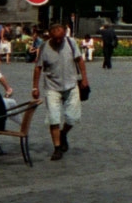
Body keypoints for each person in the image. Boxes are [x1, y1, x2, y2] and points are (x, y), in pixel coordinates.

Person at [34, 21, 90, 160]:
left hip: (71, 85)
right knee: (53, 118)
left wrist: (84, 78)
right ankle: (57, 148)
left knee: (72, 117)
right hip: (52, 87)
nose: (59, 41)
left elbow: (80, 60)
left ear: (64, 34)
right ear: (50, 36)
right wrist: (35, 87)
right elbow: (38, 67)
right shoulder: (44, 47)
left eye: (61, 38)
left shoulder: (70, 43)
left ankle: (63, 133)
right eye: (55, 38)